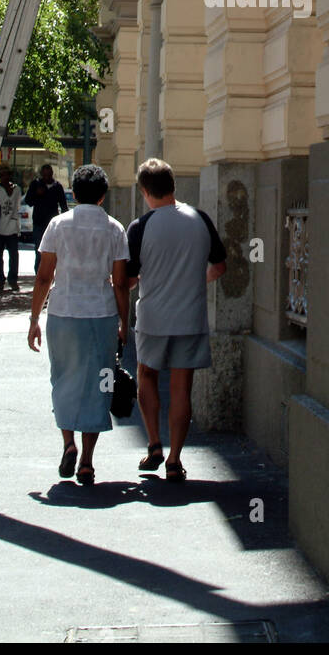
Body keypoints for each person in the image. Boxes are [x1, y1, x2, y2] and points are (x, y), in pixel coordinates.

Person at [121, 158, 226, 483]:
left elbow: (128, 277)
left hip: (152, 318)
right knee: (182, 388)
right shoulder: (199, 219)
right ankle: (175, 459)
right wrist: (194, 280)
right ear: (173, 186)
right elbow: (220, 266)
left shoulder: (140, 226)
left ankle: (154, 443)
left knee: (147, 376)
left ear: (143, 191)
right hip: (190, 318)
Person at [28, 163, 130, 486]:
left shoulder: (57, 225)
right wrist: (124, 323)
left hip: (63, 312)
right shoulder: (115, 229)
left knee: (63, 379)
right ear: (103, 195)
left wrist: (33, 319)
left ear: (73, 192)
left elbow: (45, 276)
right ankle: (86, 460)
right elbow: (119, 283)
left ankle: (67, 442)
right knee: (100, 384)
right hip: (101, 315)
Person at [25, 164, 67, 271]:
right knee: (39, 250)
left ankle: (52, 273)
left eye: (48, 175)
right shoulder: (36, 184)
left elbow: (63, 206)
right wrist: (36, 194)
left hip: (53, 224)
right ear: (41, 175)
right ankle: (38, 273)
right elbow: (28, 201)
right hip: (39, 223)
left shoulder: (57, 187)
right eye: (44, 175)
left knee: (54, 250)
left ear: (52, 174)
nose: (47, 177)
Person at [0, 166, 21, 294]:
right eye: (2, 176)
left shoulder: (17, 189)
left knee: (14, 255)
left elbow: (17, 205)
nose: (5, 178)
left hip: (12, 227)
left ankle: (13, 279)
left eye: (6, 175)